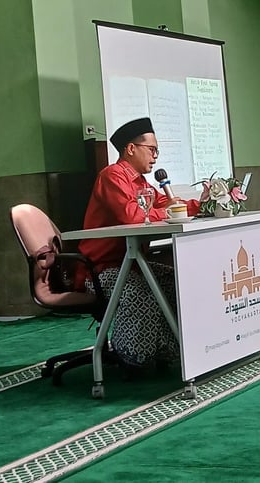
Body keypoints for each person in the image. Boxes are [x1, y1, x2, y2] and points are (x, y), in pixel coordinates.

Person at [78, 117, 199, 370]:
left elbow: (168, 206)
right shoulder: (112, 176)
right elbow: (133, 217)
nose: (155, 157)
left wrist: (201, 205)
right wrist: (169, 212)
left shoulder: (142, 183)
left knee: (175, 281)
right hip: (102, 268)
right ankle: (132, 356)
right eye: (152, 149)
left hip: (131, 263)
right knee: (140, 290)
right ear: (131, 148)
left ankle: (167, 350)